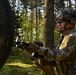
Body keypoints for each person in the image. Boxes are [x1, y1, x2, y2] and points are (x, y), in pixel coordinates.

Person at [17, 9, 76, 75]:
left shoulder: (73, 37)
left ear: (71, 23)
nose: (58, 24)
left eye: (61, 22)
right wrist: (45, 60)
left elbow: (59, 55)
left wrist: (37, 48)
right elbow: (58, 61)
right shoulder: (62, 39)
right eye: (57, 22)